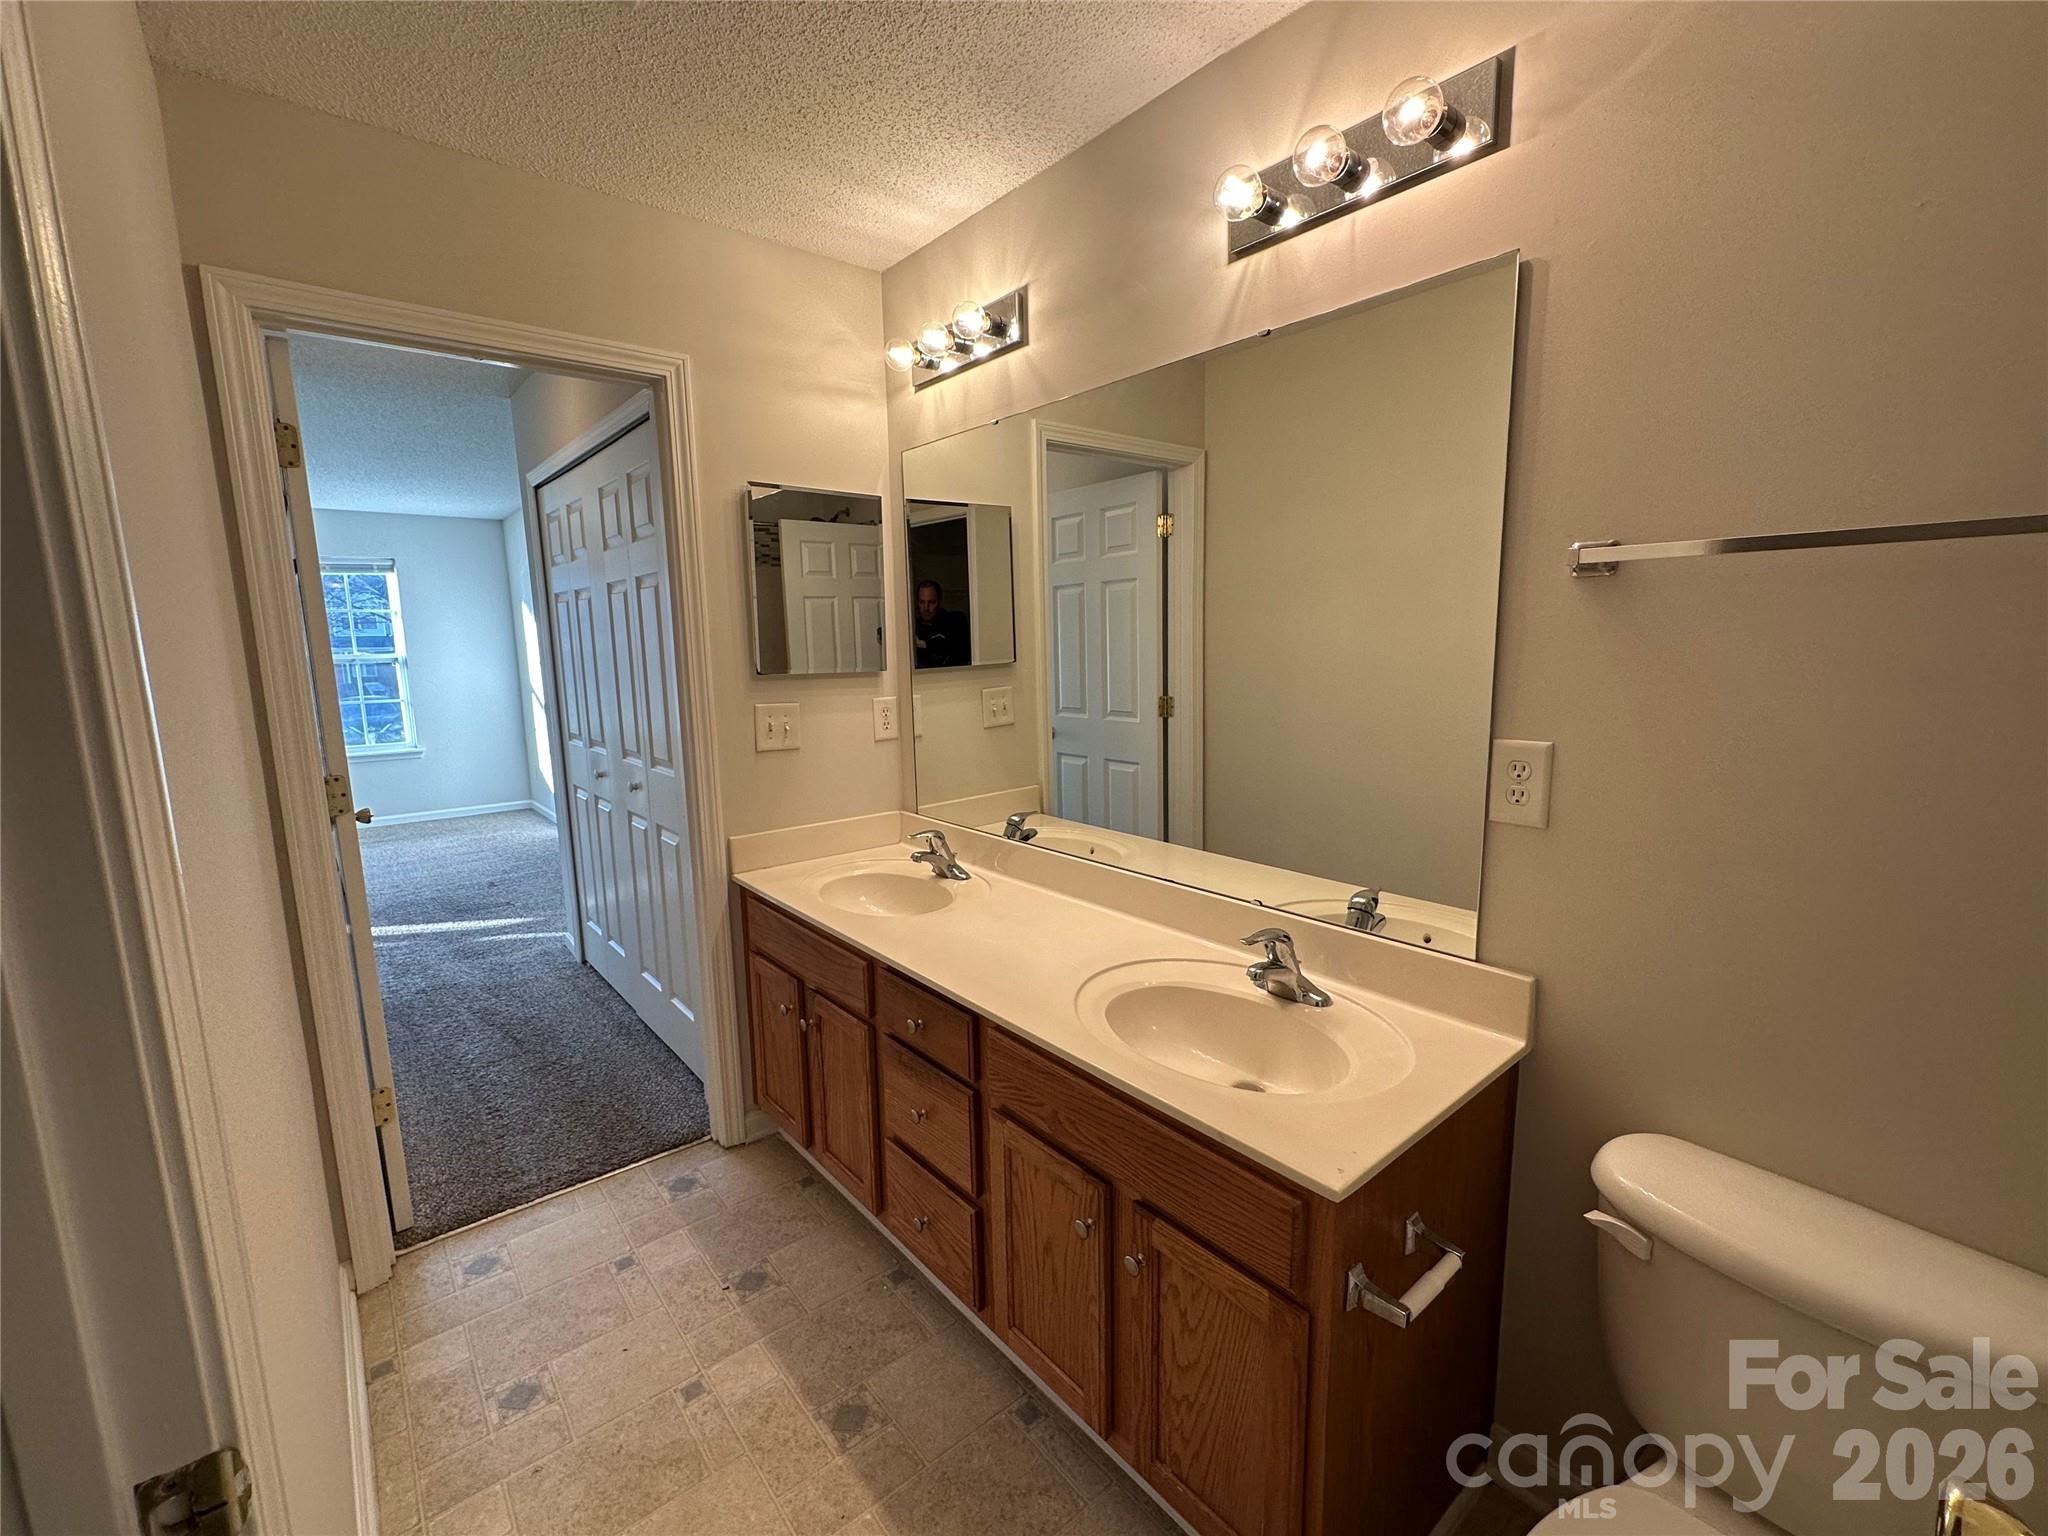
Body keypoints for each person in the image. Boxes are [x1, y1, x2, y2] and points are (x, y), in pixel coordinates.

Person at [913, 579, 971, 668]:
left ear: (939, 602)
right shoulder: (913, 627)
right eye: (922, 602)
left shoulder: (955, 620)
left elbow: (959, 651)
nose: (926, 608)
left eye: (931, 602)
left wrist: (925, 644)